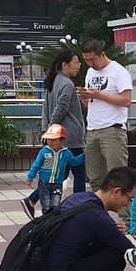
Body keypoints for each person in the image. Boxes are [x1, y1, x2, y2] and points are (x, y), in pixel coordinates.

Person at [36, 167, 136, 271]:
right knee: (118, 257)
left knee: (107, 246)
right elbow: (131, 252)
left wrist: (111, 233)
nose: (128, 204)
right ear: (117, 191)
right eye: (129, 198)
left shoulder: (79, 198)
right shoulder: (98, 217)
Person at [23, 48, 85, 218]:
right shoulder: (67, 83)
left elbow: (45, 108)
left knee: (60, 173)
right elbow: (61, 108)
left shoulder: (53, 81)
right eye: (76, 62)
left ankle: (32, 199)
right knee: (79, 172)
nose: (79, 66)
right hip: (69, 136)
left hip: (59, 136)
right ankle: (81, 207)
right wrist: (51, 130)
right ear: (65, 65)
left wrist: (47, 130)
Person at [78, 40, 132, 191]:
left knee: (118, 178)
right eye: (86, 60)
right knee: (95, 178)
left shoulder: (118, 71)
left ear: (102, 55)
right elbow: (92, 104)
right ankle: (99, 212)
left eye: (92, 59)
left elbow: (126, 100)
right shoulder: (90, 73)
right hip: (92, 128)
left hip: (112, 129)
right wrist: (85, 99)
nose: (90, 64)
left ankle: (125, 214)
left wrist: (99, 95)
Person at [25, 124, 85, 216]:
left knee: (56, 206)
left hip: (57, 184)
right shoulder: (44, 151)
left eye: (54, 140)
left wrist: (84, 155)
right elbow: (36, 165)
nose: (50, 142)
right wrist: (30, 177)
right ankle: (46, 223)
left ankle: (53, 221)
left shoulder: (66, 153)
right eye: (49, 139)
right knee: (46, 206)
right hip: (44, 183)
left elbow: (74, 162)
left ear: (61, 140)